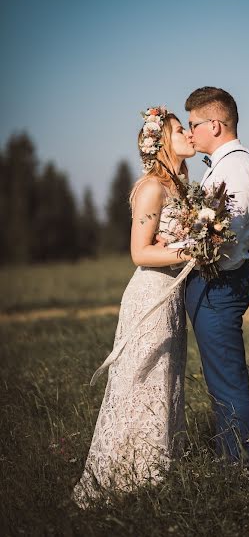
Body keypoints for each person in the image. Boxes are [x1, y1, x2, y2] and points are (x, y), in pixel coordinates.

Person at [72, 108, 195, 509]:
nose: (190, 135)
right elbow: (139, 252)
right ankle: (120, 475)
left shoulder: (182, 187)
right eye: (180, 130)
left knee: (165, 382)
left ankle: (155, 469)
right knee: (138, 379)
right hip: (150, 295)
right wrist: (193, 248)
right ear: (162, 142)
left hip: (173, 296)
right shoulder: (151, 189)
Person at [184, 87, 249, 464]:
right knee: (220, 379)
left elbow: (227, 223)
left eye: (193, 124)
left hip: (220, 284)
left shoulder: (235, 166)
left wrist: (189, 240)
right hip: (216, 282)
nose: (189, 133)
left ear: (214, 125)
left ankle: (238, 469)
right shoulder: (224, 164)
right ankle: (231, 456)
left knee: (226, 382)